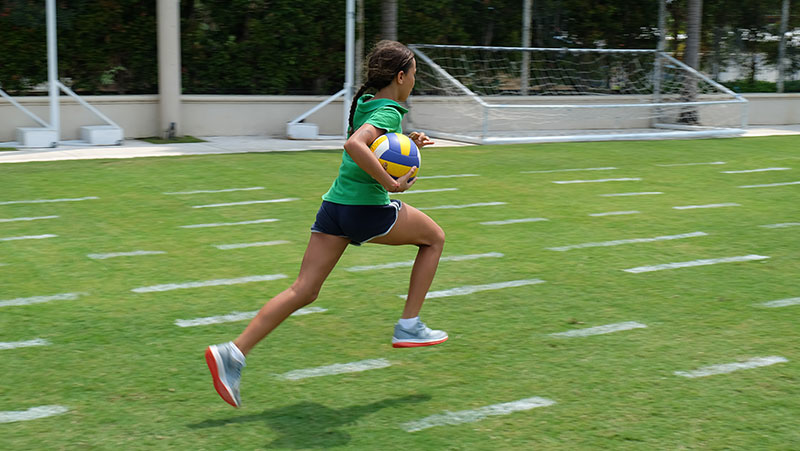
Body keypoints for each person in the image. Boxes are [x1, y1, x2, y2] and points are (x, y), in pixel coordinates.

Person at [205, 40, 448, 408]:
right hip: (364, 210)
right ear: (401, 76)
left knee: (304, 289)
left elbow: (371, 141)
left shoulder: (368, 103)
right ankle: (409, 325)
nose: (416, 81)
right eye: (414, 74)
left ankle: (233, 353)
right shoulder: (390, 112)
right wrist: (391, 183)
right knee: (434, 239)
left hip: (334, 206)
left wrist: (406, 143)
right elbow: (356, 145)